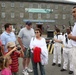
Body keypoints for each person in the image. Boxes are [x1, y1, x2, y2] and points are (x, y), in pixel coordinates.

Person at [68, 6, 76, 75]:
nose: (73, 14)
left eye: (74, 12)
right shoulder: (75, 24)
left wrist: (70, 36)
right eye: (72, 12)